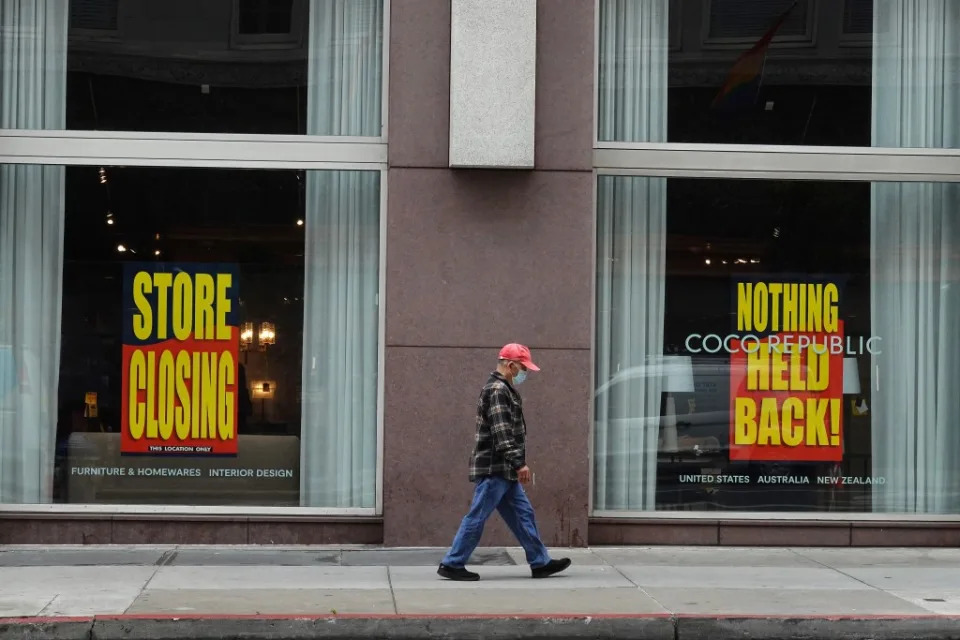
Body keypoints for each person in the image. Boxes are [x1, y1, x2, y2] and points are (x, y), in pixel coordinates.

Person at [437, 343, 571, 581]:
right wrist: (520, 463)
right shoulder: (498, 390)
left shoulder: (504, 390)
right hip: (495, 468)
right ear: (510, 365)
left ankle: (540, 562)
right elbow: (502, 434)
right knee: (477, 516)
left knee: (523, 514)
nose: (524, 373)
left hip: (503, 468)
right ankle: (452, 563)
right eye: (523, 368)